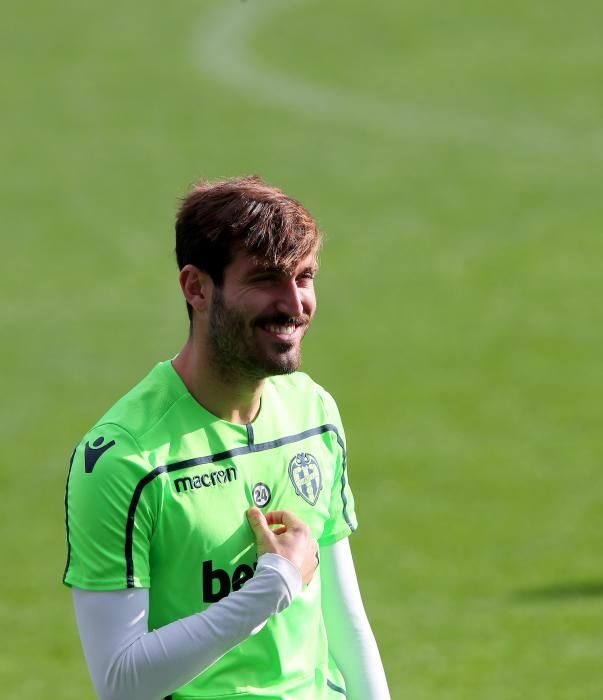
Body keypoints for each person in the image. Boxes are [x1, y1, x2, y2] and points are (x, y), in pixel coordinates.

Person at [63, 176, 391, 700]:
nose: (294, 304)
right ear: (196, 287)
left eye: (304, 277)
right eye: (265, 280)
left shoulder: (313, 413)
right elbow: (121, 683)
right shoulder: (125, 459)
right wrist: (272, 587)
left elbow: (345, 616)